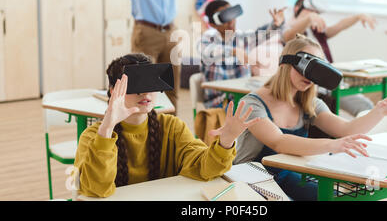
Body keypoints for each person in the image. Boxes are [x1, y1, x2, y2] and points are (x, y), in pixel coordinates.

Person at [233, 34, 387, 201]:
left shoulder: (308, 103)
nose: (310, 77)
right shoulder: (253, 104)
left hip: (287, 173)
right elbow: (279, 142)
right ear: (286, 64)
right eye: (308, 67)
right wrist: (332, 145)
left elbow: (346, 130)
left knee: (331, 197)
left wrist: (379, 112)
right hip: (249, 177)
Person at [74, 53, 260, 198]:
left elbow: (204, 169)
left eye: (151, 82)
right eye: (137, 84)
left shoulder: (172, 127)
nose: (145, 91)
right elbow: (96, 190)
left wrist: (226, 141)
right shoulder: (93, 137)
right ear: (114, 91)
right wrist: (106, 128)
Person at [283, 0, 378, 116]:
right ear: (297, 9)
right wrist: (308, 18)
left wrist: (358, 16)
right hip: (314, 88)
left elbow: (340, 26)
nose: (314, 15)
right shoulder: (289, 29)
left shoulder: (316, 31)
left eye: (316, 12)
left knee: (366, 106)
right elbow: (289, 36)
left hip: (332, 83)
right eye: (310, 11)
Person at [198, 0, 285, 109]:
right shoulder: (207, 39)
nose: (231, 22)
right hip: (220, 102)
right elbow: (208, 51)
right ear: (212, 24)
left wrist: (276, 24)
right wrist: (234, 51)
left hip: (245, 97)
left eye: (232, 15)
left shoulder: (241, 38)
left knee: (277, 105)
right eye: (224, 18)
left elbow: (262, 34)